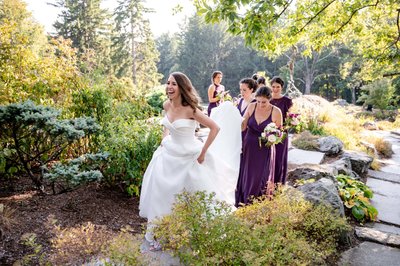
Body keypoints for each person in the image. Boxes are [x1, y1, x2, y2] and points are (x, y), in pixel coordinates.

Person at [139, 72, 242, 248]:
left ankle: (189, 232)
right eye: (168, 83)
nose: (169, 87)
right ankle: (162, 233)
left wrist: (203, 152)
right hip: (168, 155)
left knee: (190, 195)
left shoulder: (191, 110)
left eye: (174, 84)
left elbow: (215, 128)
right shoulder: (166, 105)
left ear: (182, 88)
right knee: (162, 194)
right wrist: (164, 140)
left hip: (189, 157)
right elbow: (166, 125)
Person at [236, 86, 283, 207]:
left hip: (265, 149)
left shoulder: (276, 112)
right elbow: (243, 126)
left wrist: (273, 137)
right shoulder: (252, 106)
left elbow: (280, 133)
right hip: (249, 145)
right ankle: (244, 200)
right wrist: (234, 121)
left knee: (260, 175)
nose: (260, 104)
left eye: (264, 102)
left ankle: (257, 202)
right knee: (247, 173)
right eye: (258, 101)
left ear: (270, 99)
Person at [269, 76, 293, 185]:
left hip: (282, 132)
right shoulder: (267, 99)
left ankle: (278, 182)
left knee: (279, 157)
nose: (275, 89)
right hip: (267, 132)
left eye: (277, 87)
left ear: (281, 87)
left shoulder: (287, 101)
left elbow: (290, 116)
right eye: (273, 86)